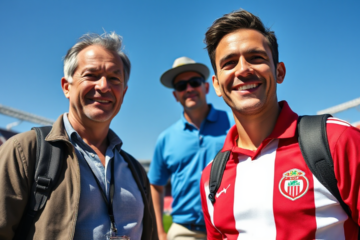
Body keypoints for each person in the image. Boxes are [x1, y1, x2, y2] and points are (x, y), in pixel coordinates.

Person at [199, 9, 360, 240]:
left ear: (279, 71)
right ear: (216, 85)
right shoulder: (211, 178)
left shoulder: (338, 141)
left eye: (256, 57)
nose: (243, 69)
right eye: (229, 63)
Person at [0, 32, 158, 240]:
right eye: (91, 75)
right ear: (67, 87)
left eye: (114, 78)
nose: (103, 86)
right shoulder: (24, 151)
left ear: (124, 93)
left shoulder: (135, 170)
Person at [148, 56, 234, 240]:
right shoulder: (165, 139)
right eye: (181, 86)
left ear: (207, 87)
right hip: (185, 231)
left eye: (194, 82)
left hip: (231, 227)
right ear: (175, 95)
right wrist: (160, 232)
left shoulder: (234, 123)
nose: (188, 89)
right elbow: (155, 185)